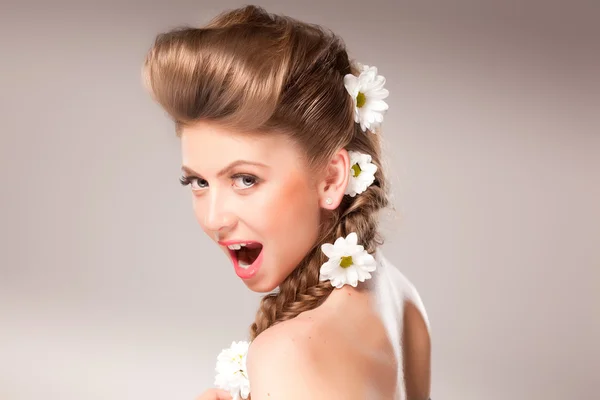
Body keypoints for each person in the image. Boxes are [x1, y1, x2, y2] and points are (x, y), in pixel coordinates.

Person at [142, 5, 431, 400]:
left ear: (331, 178)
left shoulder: (286, 355)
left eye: (245, 179)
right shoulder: (401, 299)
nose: (213, 219)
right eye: (198, 181)